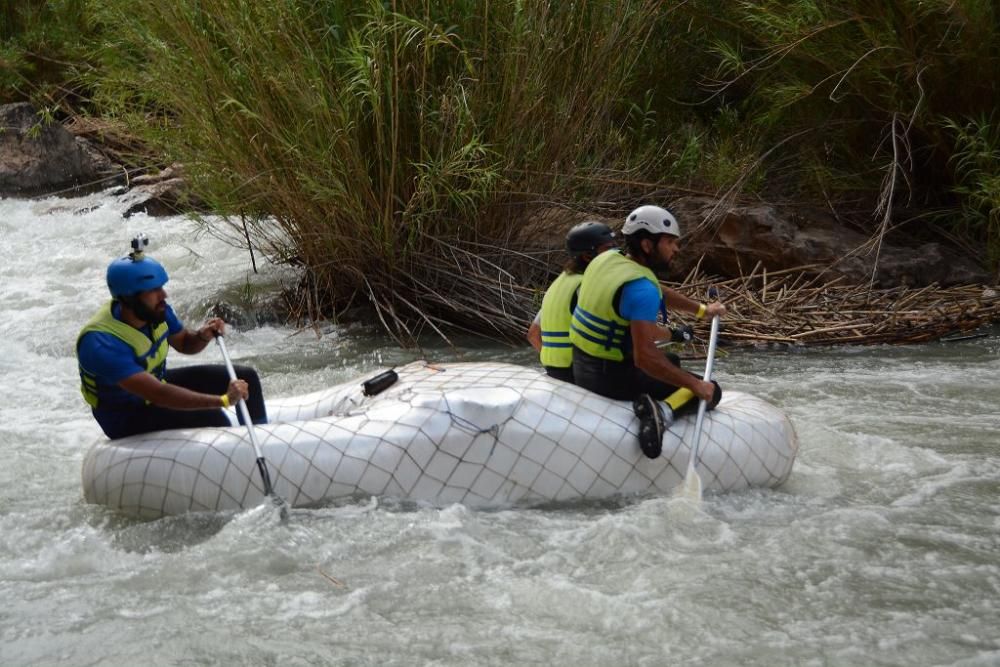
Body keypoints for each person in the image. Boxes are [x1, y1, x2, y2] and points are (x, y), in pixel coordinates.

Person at [569, 205, 726, 458]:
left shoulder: (607, 260)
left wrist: (702, 310)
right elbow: (644, 357)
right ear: (646, 245)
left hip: (581, 366)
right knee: (712, 390)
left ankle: (658, 400)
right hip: (610, 380)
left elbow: (656, 289)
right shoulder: (640, 290)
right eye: (669, 242)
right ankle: (662, 413)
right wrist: (697, 385)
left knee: (672, 361)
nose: (676, 249)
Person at [77, 235, 267, 439]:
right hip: (126, 416)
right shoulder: (100, 343)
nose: (163, 295)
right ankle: (239, 457)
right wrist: (223, 401)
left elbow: (185, 343)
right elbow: (158, 394)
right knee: (211, 415)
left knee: (245, 376)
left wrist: (202, 336)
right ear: (129, 298)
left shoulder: (156, 311)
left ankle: (261, 441)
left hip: (155, 387)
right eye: (153, 291)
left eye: (161, 287)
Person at [527, 221, 617, 382]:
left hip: (554, 372)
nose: (615, 254)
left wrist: (554, 363)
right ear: (587, 256)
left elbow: (533, 335)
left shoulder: (557, 285)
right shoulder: (586, 286)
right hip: (578, 373)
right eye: (608, 249)